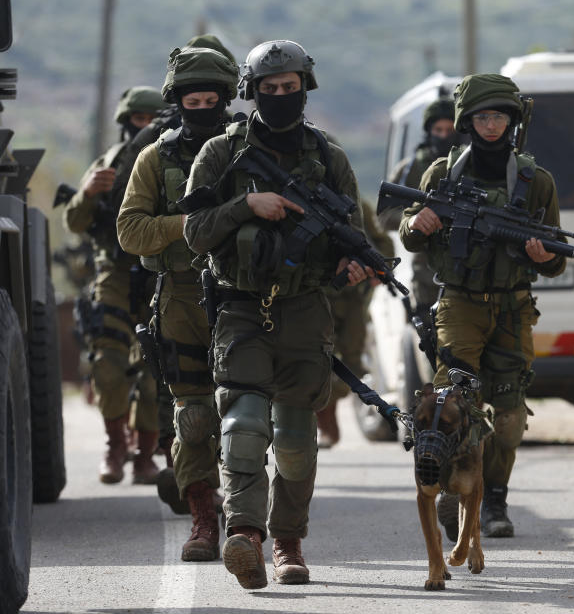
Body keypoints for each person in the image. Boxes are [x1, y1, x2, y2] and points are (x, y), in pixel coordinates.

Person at [181, 39, 370, 589]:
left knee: (294, 439)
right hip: (240, 307)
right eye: (270, 90)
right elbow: (194, 232)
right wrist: (247, 205)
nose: (282, 97)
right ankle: (245, 535)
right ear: (252, 92)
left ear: (304, 89)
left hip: (306, 309)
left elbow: (351, 238)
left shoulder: (328, 156)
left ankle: (289, 540)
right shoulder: (220, 153)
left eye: (290, 89)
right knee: (242, 425)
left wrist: (352, 268)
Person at [399, 73, 567, 538]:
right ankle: (455, 488)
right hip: (459, 304)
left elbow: (554, 261)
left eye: (500, 116)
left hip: (513, 307)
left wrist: (546, 255)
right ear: (466, 121)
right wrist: (420, 222)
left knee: (509, 415)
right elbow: (409, 234)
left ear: (513, 121)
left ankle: (494, 499)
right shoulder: (442, 174)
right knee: (452, 401)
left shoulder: (536, 182)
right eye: (483, 116)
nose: (492, 125)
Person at [118, 46, 239, 562]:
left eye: (213, 99)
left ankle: (248, 516)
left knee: (247, 412)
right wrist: (192, 227)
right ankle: (203, 518)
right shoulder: (155, 156)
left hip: (244, 296)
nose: (203, 107)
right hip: (181, 296)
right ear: (178, 100)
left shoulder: (250, 149)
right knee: (192, 418)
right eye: (194, 98)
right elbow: (129, 231)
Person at [63, 86, 168, 485]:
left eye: (152, 120)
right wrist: (88, 192)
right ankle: (115, 446)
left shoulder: (173, 159)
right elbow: (74, 223)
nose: (145, 127)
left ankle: (145, 454)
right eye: (139, 120)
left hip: (158, 271)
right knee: (107, 365)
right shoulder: (107, 164)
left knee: (155, 368)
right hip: (115, 273)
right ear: (127, 123)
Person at [316, 197, 394, 447]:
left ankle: (326, 403)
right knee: (315, 361)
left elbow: (382, 243)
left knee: (354, 366)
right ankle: (324, 420)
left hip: (351, 300)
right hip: (315, 298)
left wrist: (376, 268)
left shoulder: (359, 204)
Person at [382, 96, 458, 312]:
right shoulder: (411, 168)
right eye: (438, 130)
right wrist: (417, 219)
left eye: (449, 130)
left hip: (464, 275)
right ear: (429, 131)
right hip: (426, 276)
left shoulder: (469, 164)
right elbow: (384, 217)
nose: (444, 136)